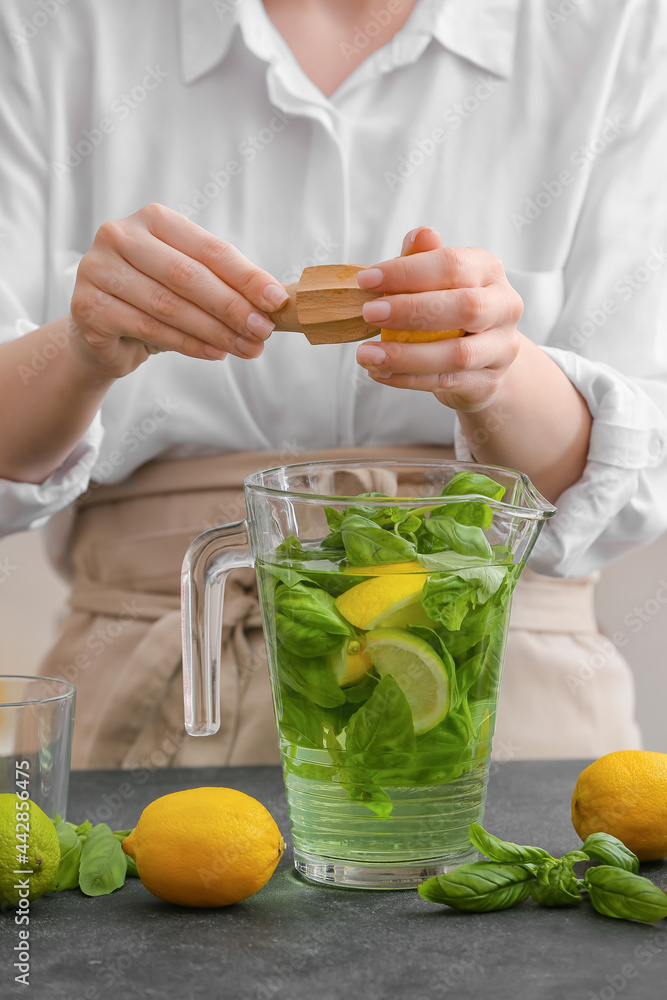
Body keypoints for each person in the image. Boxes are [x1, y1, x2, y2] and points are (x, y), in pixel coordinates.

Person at [0, 0, 665, 767]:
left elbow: (635, 481)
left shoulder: (619, 24)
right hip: (155, 685)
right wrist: (80, 349)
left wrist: (500, 377)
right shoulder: (45, 21)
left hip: (495, 693)